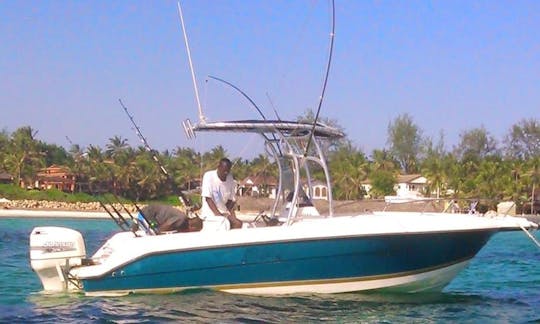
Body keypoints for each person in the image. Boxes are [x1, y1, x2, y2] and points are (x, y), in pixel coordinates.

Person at [200, 158, 243, 229]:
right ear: (218, 168)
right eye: (224, 171)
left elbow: (231, 200)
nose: (226, 173)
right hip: (210, 213)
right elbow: (208, 199)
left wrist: (227, 212)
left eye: (227, 171)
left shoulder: (230, 178)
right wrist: (219, 215)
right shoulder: (209, 176)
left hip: (224, 211)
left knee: (238, 223)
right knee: (223, 222)